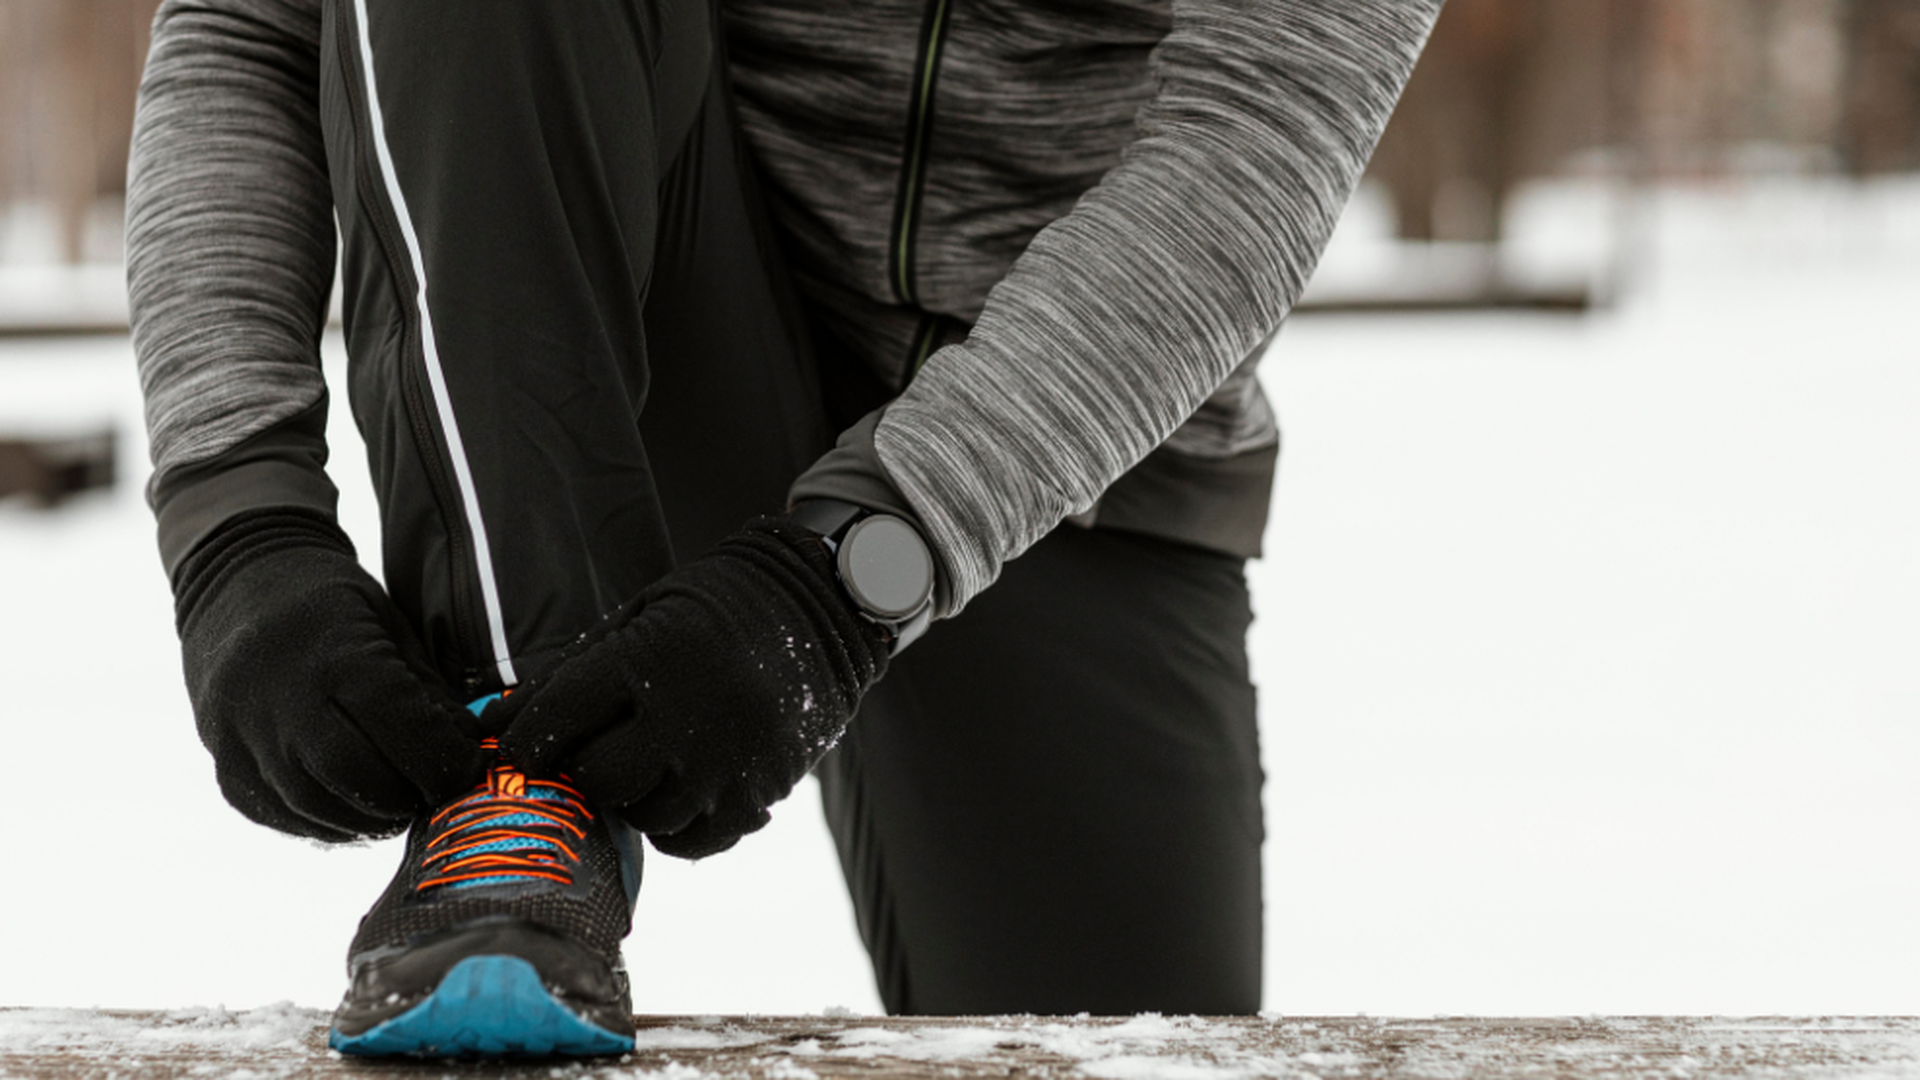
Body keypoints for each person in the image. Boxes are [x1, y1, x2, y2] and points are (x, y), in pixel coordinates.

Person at [127, 0, 1441, 1057]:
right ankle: (512, 795)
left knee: (1128, 1038)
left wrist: (855, 569)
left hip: (1074, 429)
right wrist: (236, 510)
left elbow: (1262, 122)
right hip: (648, 341)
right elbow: (253, 24)